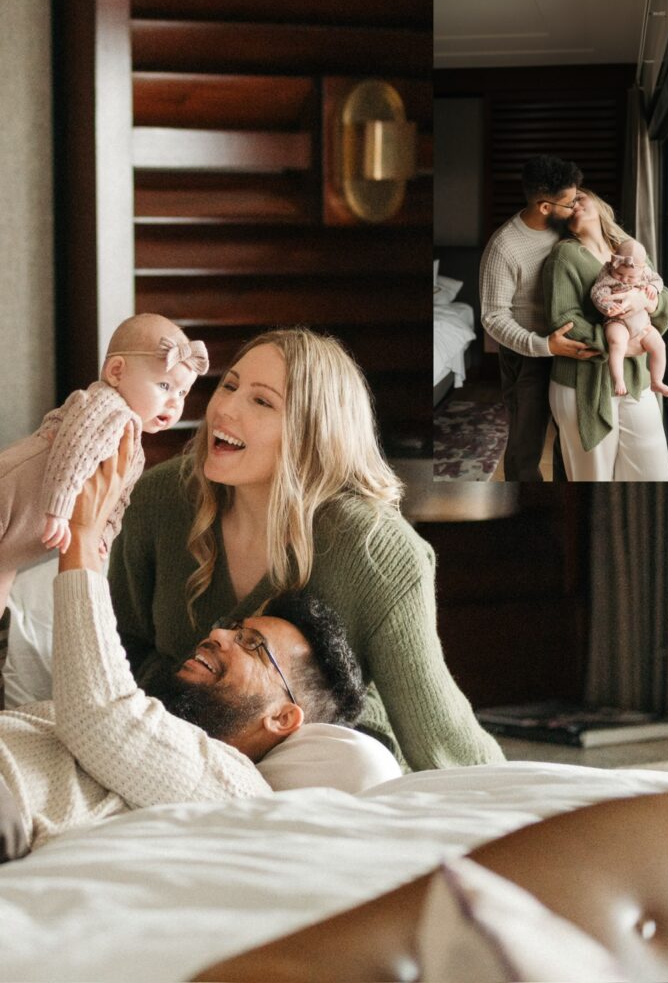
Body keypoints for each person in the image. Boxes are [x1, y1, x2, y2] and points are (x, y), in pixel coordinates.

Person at [108, 328, 504, 771]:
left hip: (325, 761)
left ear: (314, 430)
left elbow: (439, 734)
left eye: (262, 401)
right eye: (229, 385)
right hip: (175, 744)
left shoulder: (378, 552)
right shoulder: (160, 498)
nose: (224, 409)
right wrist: (190, 716)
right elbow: (119, 643)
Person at [0, 427, 367, 863]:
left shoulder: (234, 786)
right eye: (232, 627)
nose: (218, 635)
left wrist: (83, 538)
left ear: (284, 716)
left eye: (251, 644)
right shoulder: (155, 722)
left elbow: (100, 712)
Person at [0, 312, 209, 616]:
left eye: (182, 393)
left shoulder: (134, 447)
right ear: (116, 372)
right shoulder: (107, 405)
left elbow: (119, 498)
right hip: (10, 500)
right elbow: (74, 447)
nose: (175, 403)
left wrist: (105, 534)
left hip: (17, 540)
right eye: (164, 386)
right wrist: (60, 506)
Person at [479, 154, 600, 481]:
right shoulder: (504, 246)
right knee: (526, 443)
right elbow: (493, 317)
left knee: (570, 438)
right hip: (527, 355)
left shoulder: (567, 228)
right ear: (545, 206)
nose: (576, 205)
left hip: (571, 350)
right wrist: (545, 345)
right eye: (570, 201)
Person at [543, 189, 668, 482]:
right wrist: (619, 344)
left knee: (653, 473)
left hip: (637, 381)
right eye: (566, 204)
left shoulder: (631, 250)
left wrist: (646, 301)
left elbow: (665, 299)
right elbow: (563, 320)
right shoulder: (564, 254)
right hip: (583, 383)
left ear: (599, 204)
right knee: (593, 478)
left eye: (579, 197)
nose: (574, 204)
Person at [590, 237, 668, 398]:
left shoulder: (646, 271)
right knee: (617, 343)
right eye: (620, 274)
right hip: (617, 320)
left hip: (643, 322)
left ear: (642, 269)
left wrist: (652, 287)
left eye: (631, 277)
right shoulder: (607, 271)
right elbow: (598, 292)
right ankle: (619, 380)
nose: (624, 279)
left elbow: (658, 280)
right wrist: (607, 307)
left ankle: (657, 381)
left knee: (659, 345)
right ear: (613, 263)